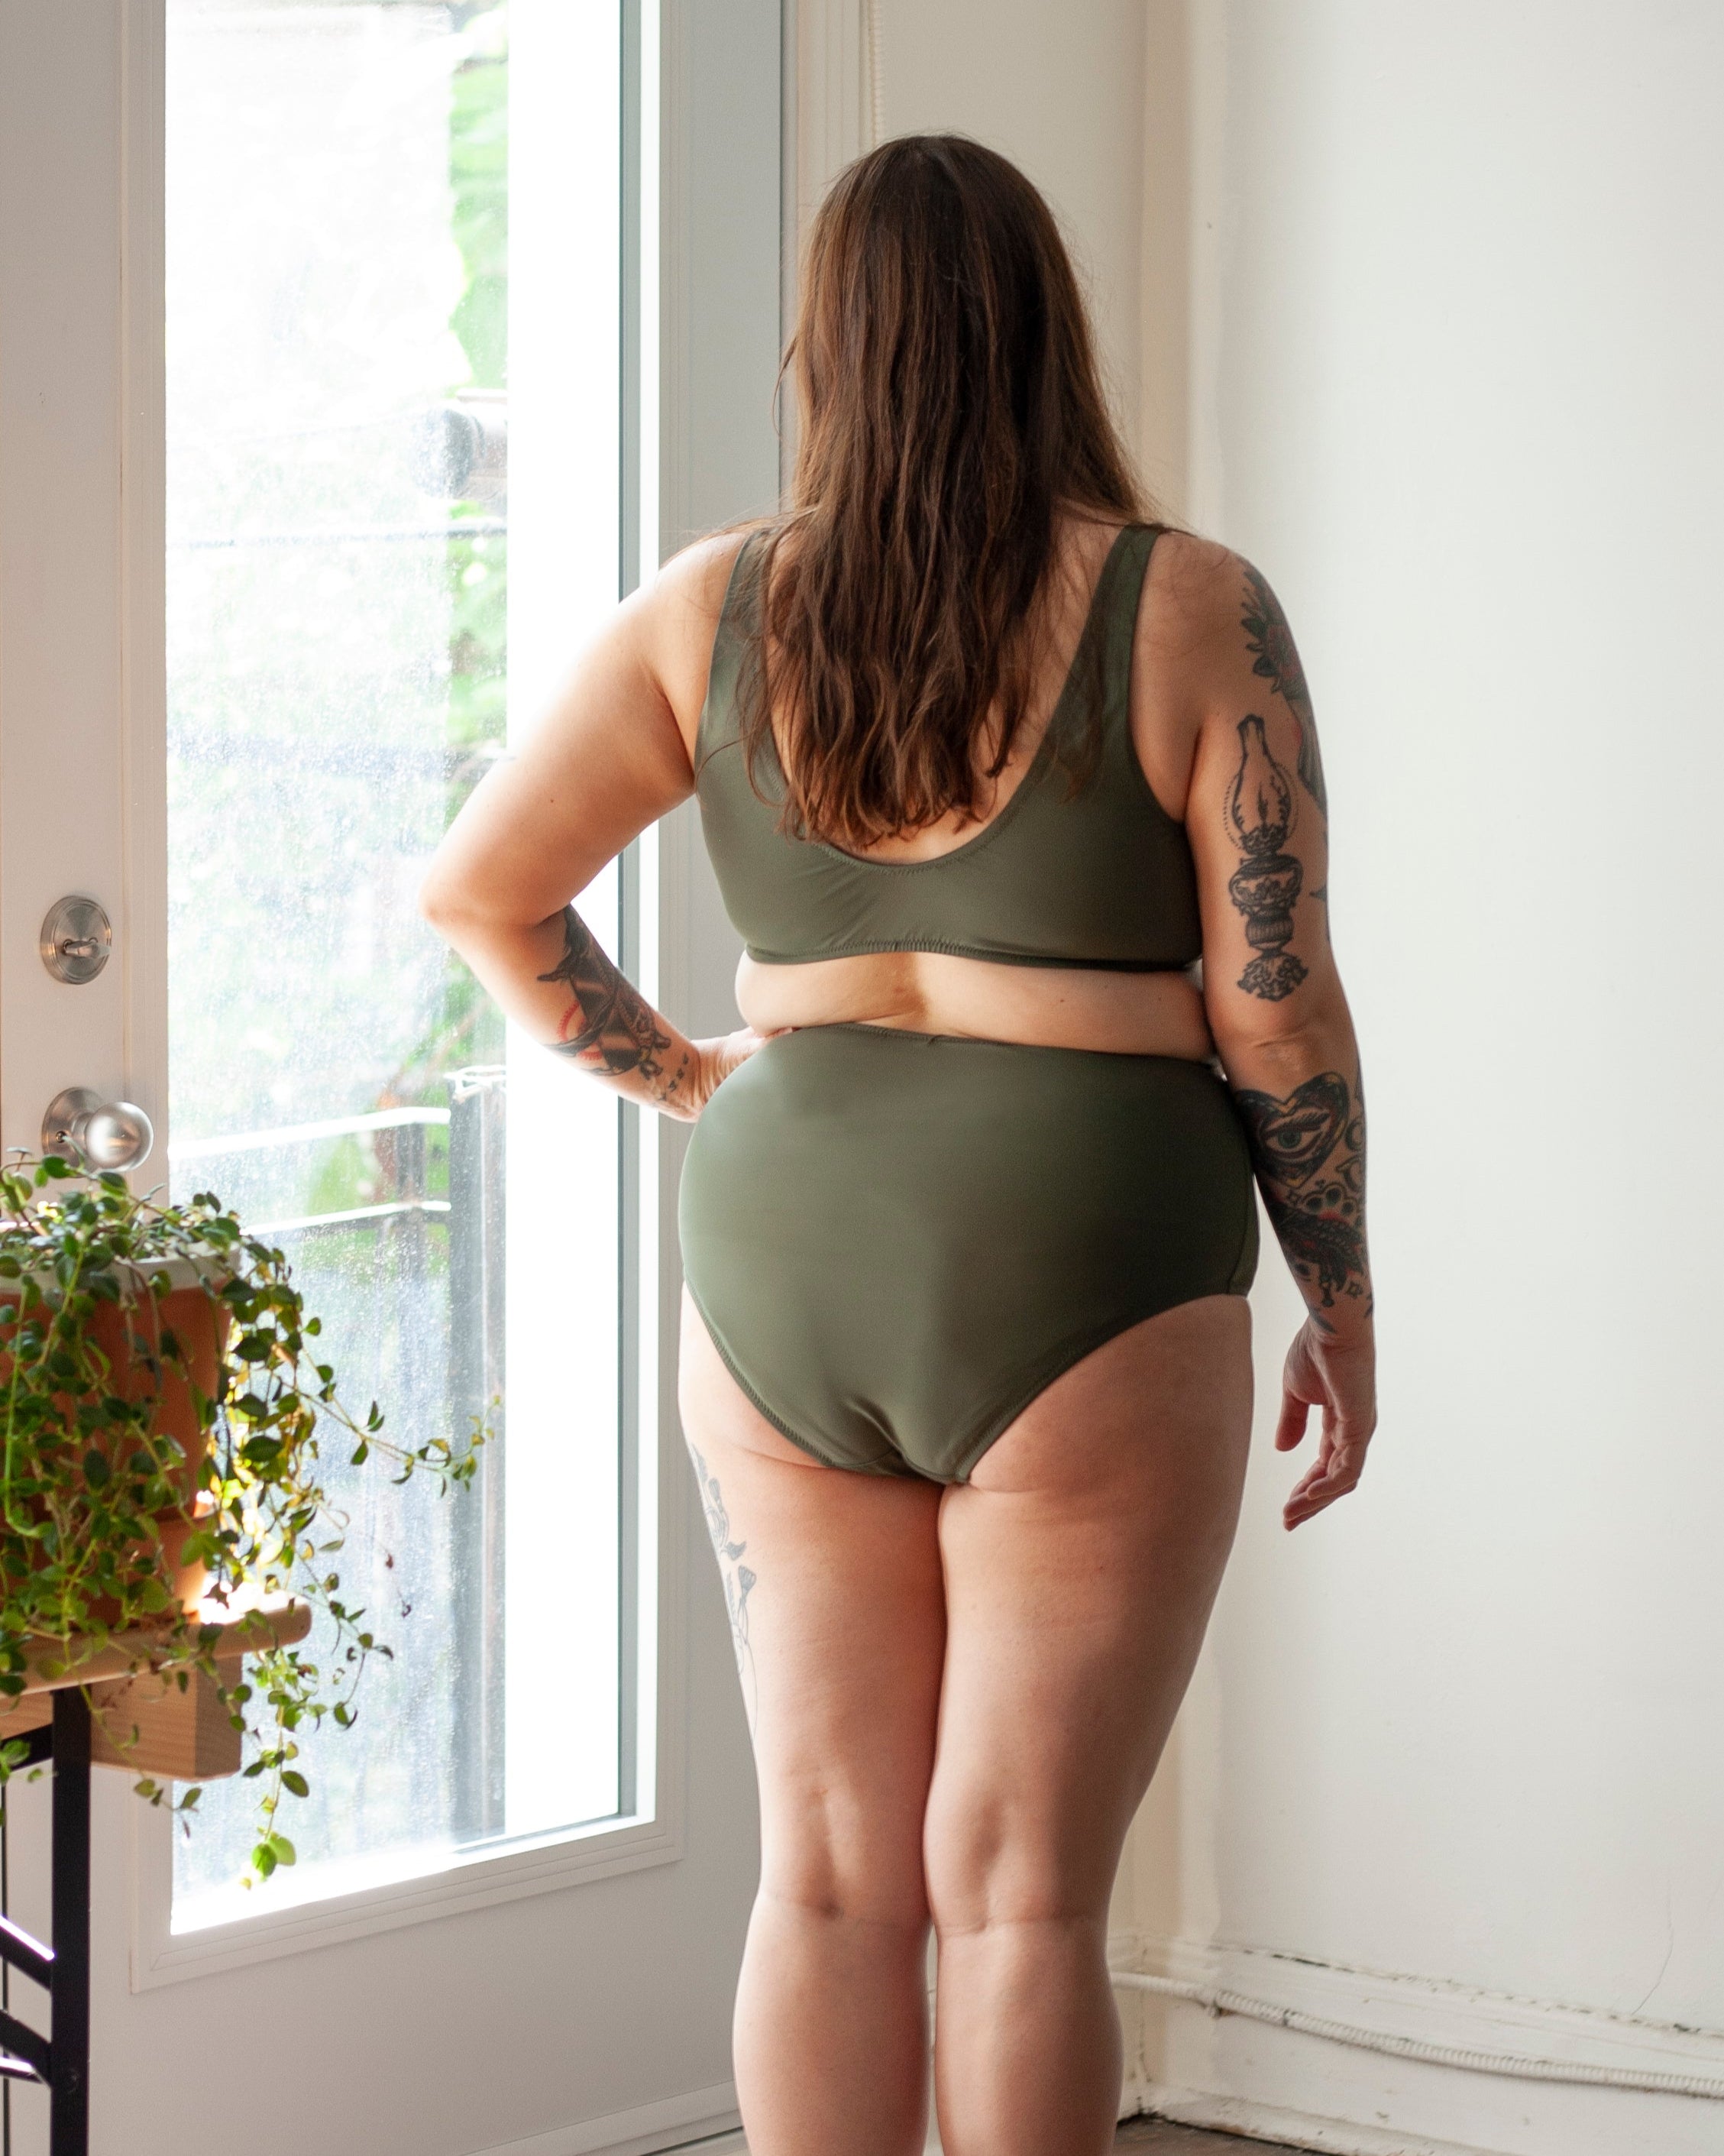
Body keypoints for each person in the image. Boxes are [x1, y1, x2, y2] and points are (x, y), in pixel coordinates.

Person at [422, 132, 1376, 2156]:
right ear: (1046, 332)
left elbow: (482, 893)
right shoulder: (1188, 604)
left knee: (832, 1875)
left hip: (782, 1247)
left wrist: (700, 1083)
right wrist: (1342, 1298)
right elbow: (1275, 1005)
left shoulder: (709, 608)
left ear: (826, 348)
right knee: (1021, 1895)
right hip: (1088, 1250)